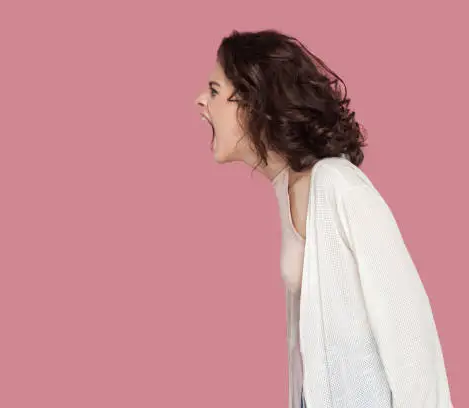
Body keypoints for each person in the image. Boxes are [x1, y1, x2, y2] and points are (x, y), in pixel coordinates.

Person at [194, 29, 453, 408]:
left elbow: (409, 328)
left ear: (253, 102)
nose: (201, 100)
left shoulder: (338, 185)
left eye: (215, 90)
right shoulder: (288, 188)